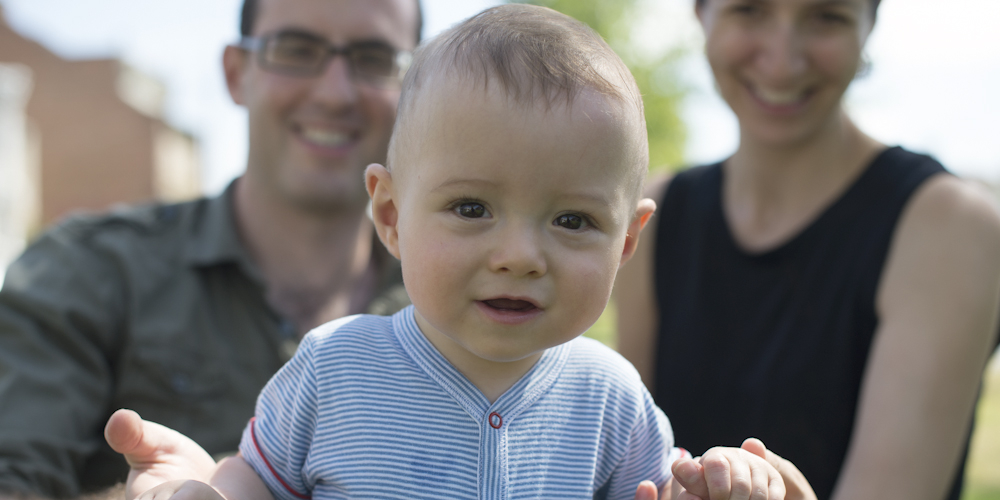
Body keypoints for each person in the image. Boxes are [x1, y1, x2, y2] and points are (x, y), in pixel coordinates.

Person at [111, 6, 794, 500]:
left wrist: (721, 486)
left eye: (572, 220)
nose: (520, 255)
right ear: (390, 214)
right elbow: (257, 479)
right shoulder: (335, 369)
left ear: (625, 243)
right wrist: (203, 492)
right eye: (472, 208)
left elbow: (665, 492)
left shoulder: (611, 400)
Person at [0, 0, 420, 497]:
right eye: (296, 50)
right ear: (236, 73)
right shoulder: (84, 272)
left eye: (373, 57)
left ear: (417, 92)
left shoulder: (488, 304)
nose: (335, 92)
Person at [614, 0, 1000, 499]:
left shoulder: (951, 228)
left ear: (869, 25)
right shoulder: (657, 215)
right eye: (749, 9)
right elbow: (635, 469)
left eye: (827, 16)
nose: (782, 60)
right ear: (701, 14)